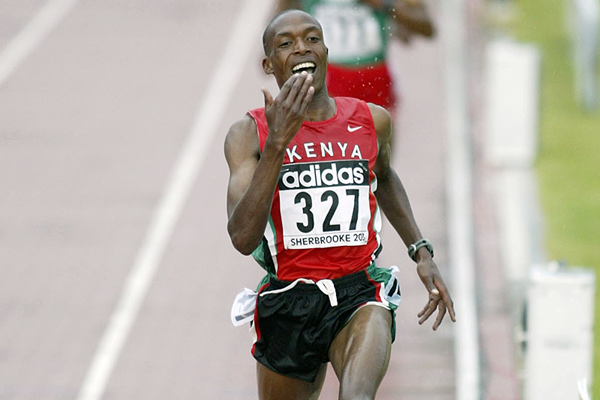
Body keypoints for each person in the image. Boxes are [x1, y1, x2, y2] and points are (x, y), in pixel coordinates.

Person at [225, 10, 455, 400]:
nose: (301, 47)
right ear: (268, 64)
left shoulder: (370, 120)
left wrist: (420, 250)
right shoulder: (250, 135)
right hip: (289, 299)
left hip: (358, 293)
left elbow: (383, 177)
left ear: (326, 52)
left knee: (357, 395)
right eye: (286, 43)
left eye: (312, 38)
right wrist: (278, 144)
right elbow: (243, 237)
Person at [275, 0, 435, 115]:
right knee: (330, 154)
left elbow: (427, 27)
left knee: (378, 153)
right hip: (325, 79)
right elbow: (279, 21)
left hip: (373, 80)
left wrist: (385, 5)